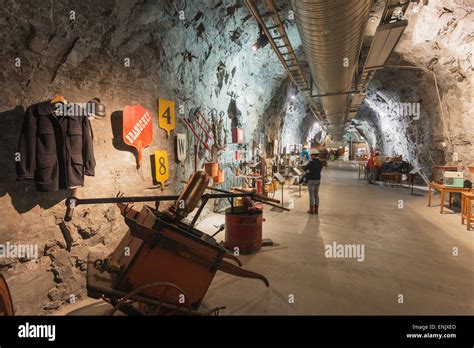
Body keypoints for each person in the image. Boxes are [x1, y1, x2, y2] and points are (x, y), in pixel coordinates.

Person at [302, 148, 323, 215]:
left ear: (313, 155)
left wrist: (305, 167)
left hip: (311, 180)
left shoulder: (311, 163)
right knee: (316, 194)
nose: (310, 156)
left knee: (311, 195)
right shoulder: (320, 162)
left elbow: (305, 168)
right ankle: (316, 210)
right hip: (318, 180)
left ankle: (311, 210)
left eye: (311, 155)